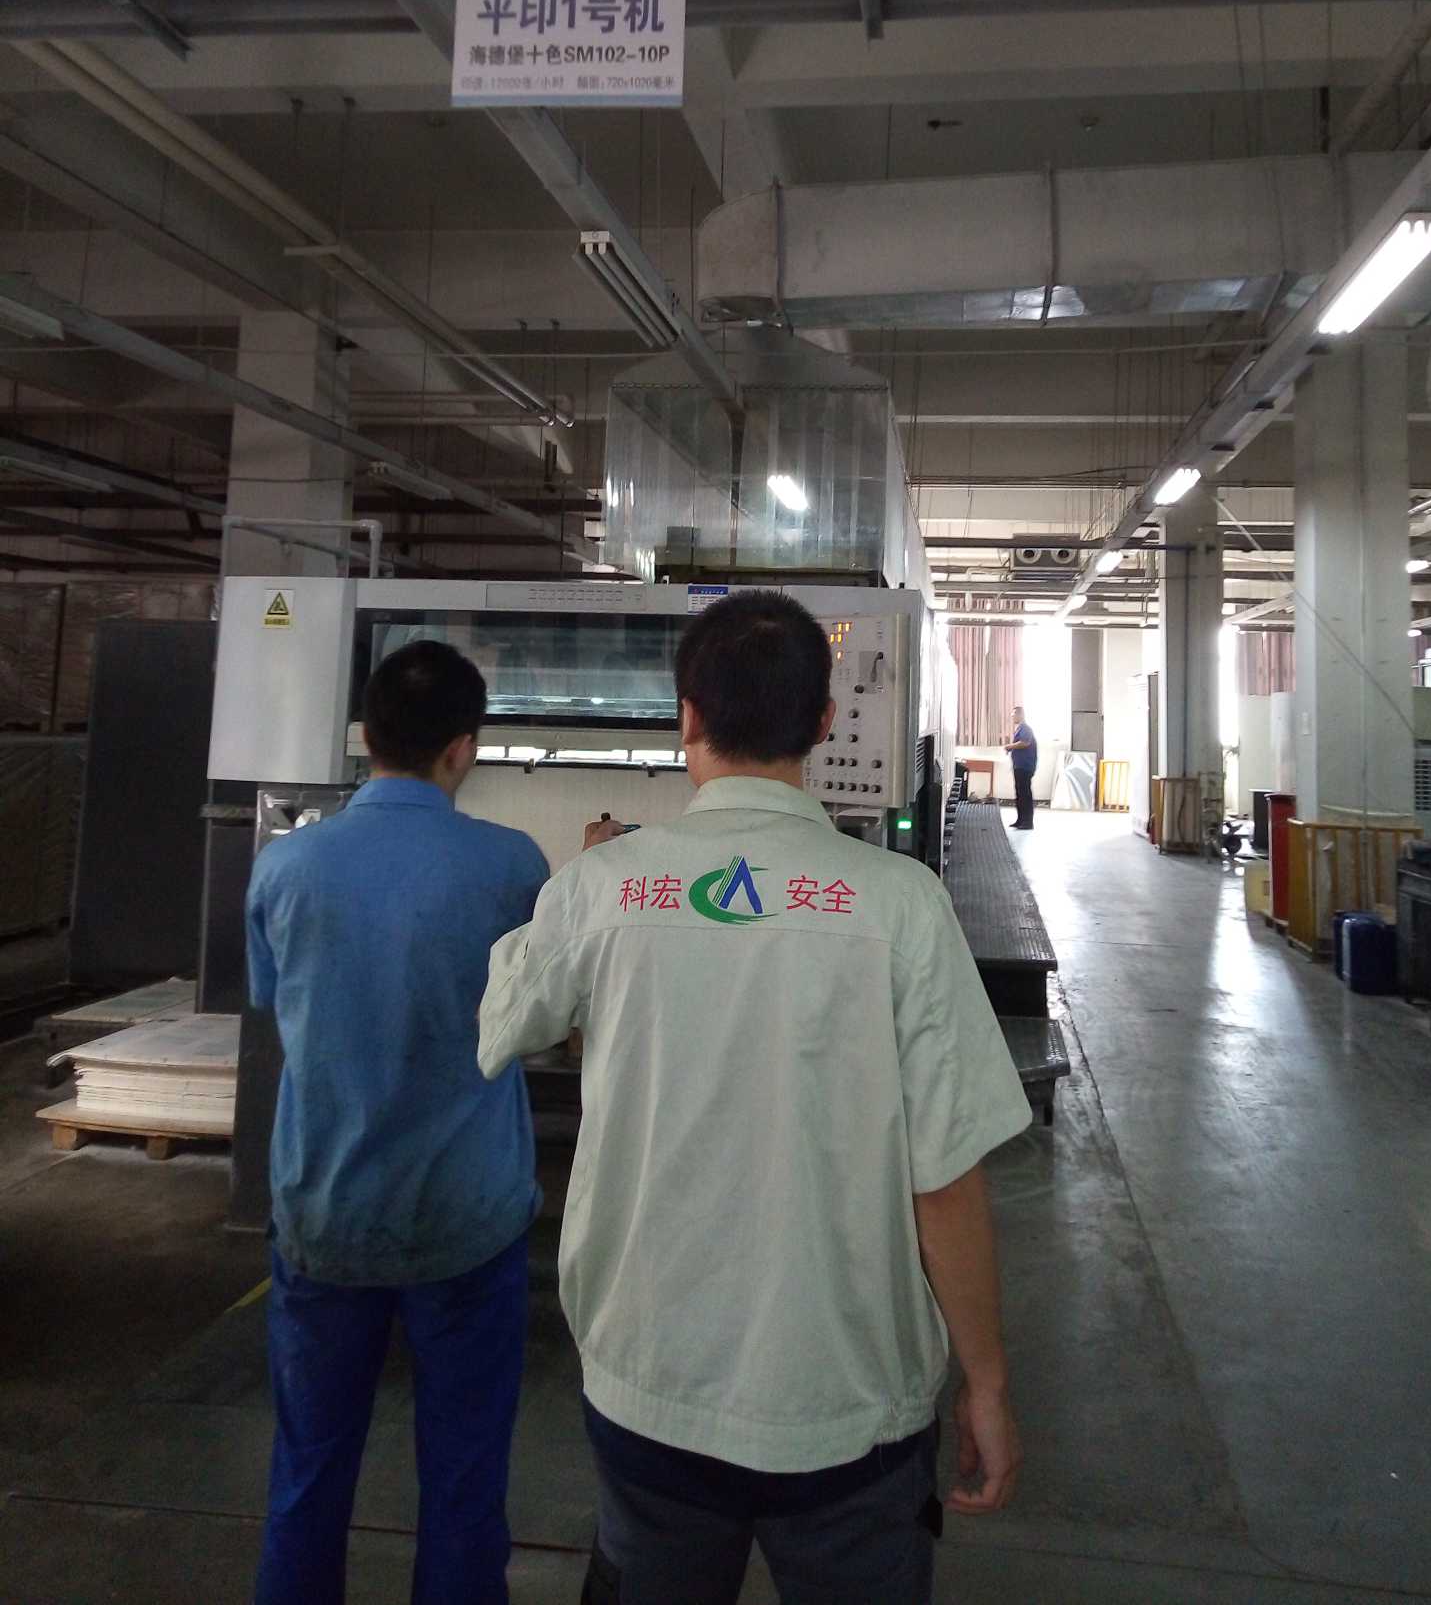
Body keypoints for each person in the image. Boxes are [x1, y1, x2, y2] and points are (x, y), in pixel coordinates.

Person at [479, 591, 1032, 1605]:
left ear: (686, 715)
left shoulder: (604, 887)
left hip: (652, 1385)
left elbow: (504, 1024)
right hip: (849, 1407)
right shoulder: (902, 904)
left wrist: (585, 888)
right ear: (824, 723)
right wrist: (986, 1381)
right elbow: (945, 1177)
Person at [247, 639, 549, 1605]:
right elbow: (541, 1022)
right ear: (464, 748)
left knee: (308, 1469)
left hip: (324, 1213)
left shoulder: (284, 867)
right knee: (464, 1476)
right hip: (467, 1220)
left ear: (366, 736)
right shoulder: (512, 865)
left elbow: (277, 1002)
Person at [1004, 704, 1038, 830]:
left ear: (1020, 715)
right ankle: (1020, 820)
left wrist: (1010, 746)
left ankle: (1028, 822)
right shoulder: (1019, 729)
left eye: (1014, 715)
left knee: (1025, 794)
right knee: (1019, 793)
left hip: (1025, 766)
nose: (1012, 717)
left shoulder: (1026, 729)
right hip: (1019, 766)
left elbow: (1025, 743)